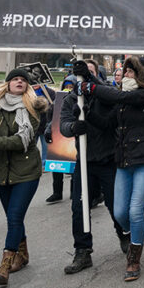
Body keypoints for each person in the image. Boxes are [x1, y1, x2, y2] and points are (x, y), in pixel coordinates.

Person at [77, 56, 144, 282]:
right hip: (124, 161)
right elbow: (107, 123)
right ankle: (131, 235)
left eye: (130, 71)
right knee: (119, 213)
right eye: (124, 71)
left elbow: (117, 94)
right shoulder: (122, 100)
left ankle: (133, 258)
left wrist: (90, 82)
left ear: (141, 74)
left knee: (135, 211)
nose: (125, 75)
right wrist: (86, 113)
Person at [0, 55, 49, 286]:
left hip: (27, 172)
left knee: (14, 217)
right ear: (9, 83)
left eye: (24, 80)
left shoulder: (34, 107)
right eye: (15, 79)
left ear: (27, 86)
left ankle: (5, 264)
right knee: (13, 217)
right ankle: (22, 255)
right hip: (1, 172)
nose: (20, 82)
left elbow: (18, 141)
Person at [59, 60, 129, 275]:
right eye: (81, 73)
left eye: (89, 72)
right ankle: (82, 250)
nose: (83, 76)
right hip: (84, 163)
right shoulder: (71, 99)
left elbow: (113, 109)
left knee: (115, 205)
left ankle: (124, 235)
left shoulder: (105, 93)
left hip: (108, 159)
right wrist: (73, 127)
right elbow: (63, 125)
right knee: (79, 208)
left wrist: (90, 81)